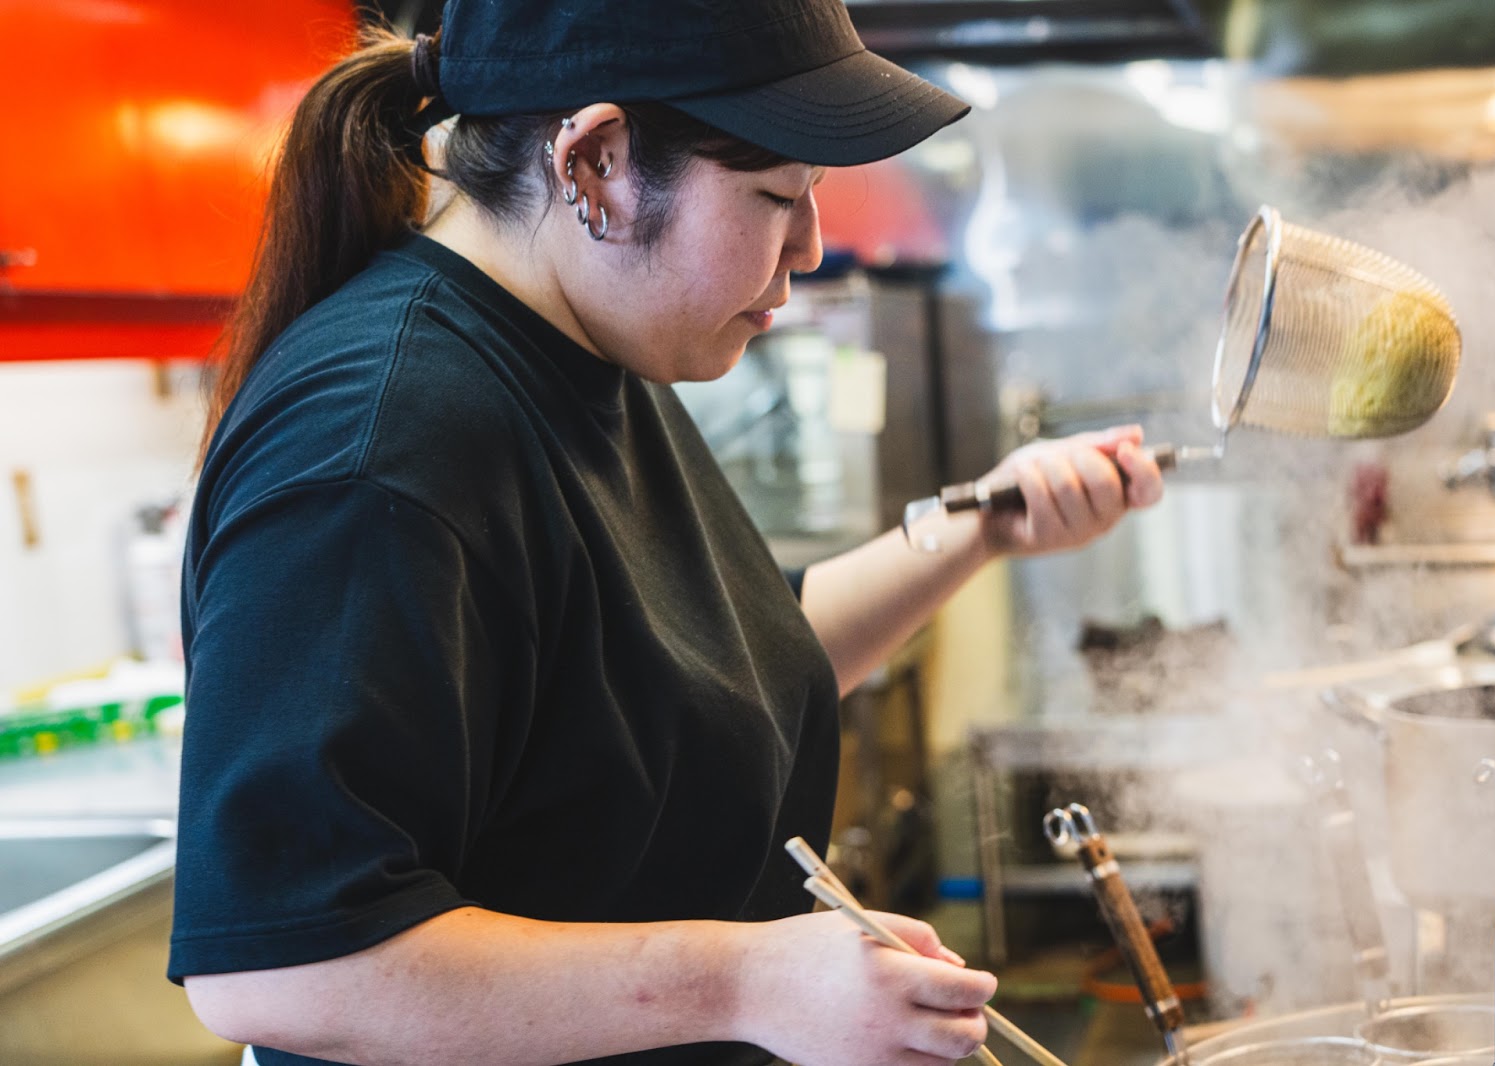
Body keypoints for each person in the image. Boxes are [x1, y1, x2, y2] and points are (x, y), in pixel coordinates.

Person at [167, 1, 1166, 1064]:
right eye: (775, 195)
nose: (811, 248)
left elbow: (718, 665)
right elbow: (277, 964)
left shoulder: (589, 355)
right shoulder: (379, 439)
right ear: (596, 163)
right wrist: (748, 978)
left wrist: (985, 527)